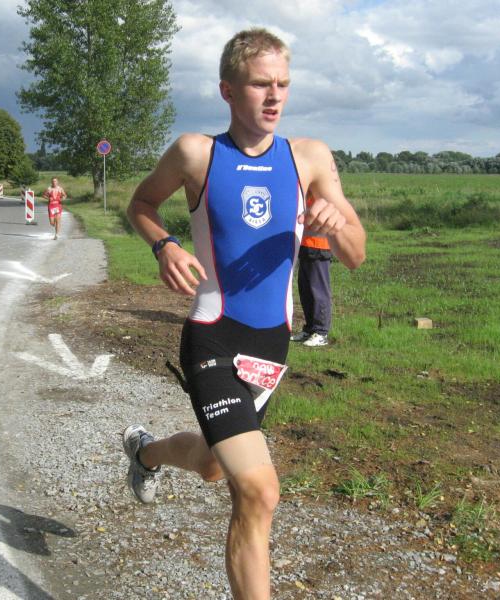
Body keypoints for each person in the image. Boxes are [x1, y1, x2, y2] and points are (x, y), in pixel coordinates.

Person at [122, 28, 366, 600]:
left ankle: (145, 452)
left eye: (283, 84)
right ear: (228, 90)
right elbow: (141, 203)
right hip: (212, 335)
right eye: (260, 84)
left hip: (270, 347)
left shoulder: (309, 158)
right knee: (258, 491)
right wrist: (165, 245)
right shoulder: (197, 154)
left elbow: (356, 255)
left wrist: (337, 225)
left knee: (214, 465)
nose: (274, 95)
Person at [291, 193, 334, 347]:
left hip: (320, 246)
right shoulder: (306, 194)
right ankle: (310, 329)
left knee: (319, 291)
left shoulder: (322, 193)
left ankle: (321, 332)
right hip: (305, 245)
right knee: (305, 290)